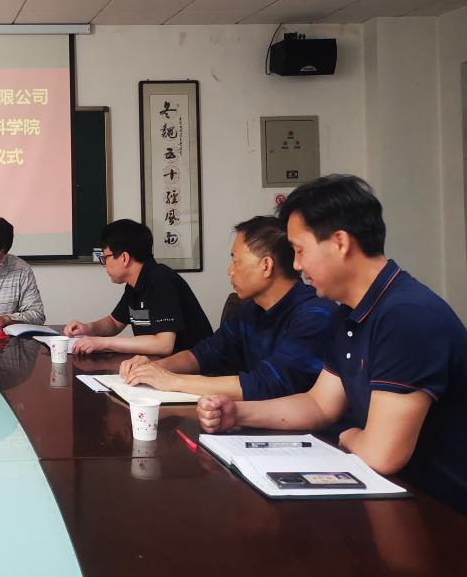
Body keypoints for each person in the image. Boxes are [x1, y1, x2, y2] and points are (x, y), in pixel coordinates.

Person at [197, 175, 467, 515]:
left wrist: (349, 435)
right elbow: (319, 404)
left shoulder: (405, 316)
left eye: (300, 251)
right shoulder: (350, 313)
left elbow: (383, 454)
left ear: (339, 242)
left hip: (442, 513)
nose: (296, 265)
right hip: (388, 495)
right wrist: (236, 413)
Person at [120, 215, 335, 399]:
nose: (229, 270)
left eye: (236, 261)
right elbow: (205, 353)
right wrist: (153, 368)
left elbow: (266, 384)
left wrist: (173, 381)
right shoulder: (251, 310)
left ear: (266, 266)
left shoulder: (316, 314)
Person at [65, 219, 212, 355]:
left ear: (124, 258)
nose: (104, 265)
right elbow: (114, 323)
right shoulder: (135, 284)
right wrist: (88, 328)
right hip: (161, 366)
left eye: (105, 258)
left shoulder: (160, 279)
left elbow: (164, 344)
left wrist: (104, 343)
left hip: (195, 370)